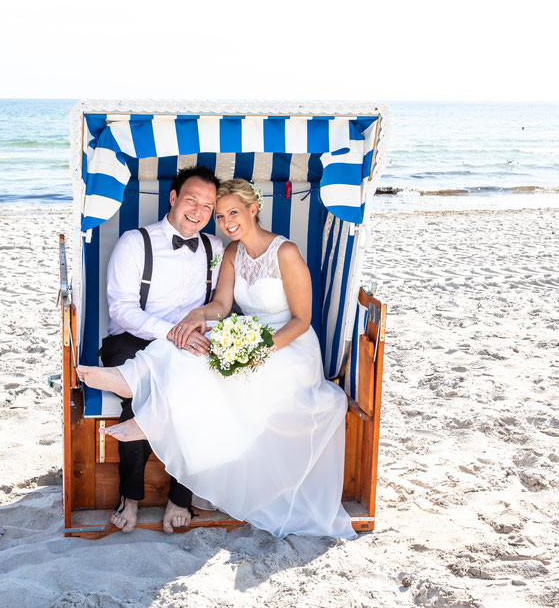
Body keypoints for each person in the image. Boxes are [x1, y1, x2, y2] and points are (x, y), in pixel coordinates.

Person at [78, 179, 355, 539]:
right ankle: (131, 382)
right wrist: (194, 319)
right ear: (174, 199)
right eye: (221, 216)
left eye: (230, 212)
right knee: (190, 350)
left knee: (203, 364)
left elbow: (302, 321)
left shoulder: (285, 252)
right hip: (240, 334)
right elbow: (221, 306)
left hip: (288, 347)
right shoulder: (229, 252)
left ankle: (149, 418)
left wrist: (259, 349)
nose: (225, 222)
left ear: (253, 209)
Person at [98, 165, 224, 533]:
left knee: (203, 394)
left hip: (189, 341)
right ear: (173, 198)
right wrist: (172, 333)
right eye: (191, 200)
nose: (198, 211)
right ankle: (131, 496)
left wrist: (200, 333)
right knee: (140, 395)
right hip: (133, 337)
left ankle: (180, 497)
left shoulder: (215, 248)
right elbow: (121, 309)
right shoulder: (134, 242)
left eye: (207, 205)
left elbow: (220, 303)